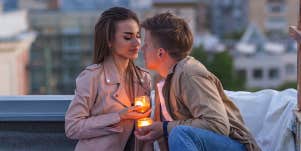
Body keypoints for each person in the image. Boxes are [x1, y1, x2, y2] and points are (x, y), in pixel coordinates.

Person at [135, 12, 261, 151]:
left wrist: (165, 128)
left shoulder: (189, 74)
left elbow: (217, 125)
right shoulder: (164, 82)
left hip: (235, 146)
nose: (142, 48)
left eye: (146, 45)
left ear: (160, 52)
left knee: (179, 134)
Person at [65, 7, 153, 151]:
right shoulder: (92, 77)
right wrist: (118, 116)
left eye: (138, 36)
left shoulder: (143, 78)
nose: (137, 43)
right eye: (127, 37)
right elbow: (72, 127)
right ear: (109, 41)